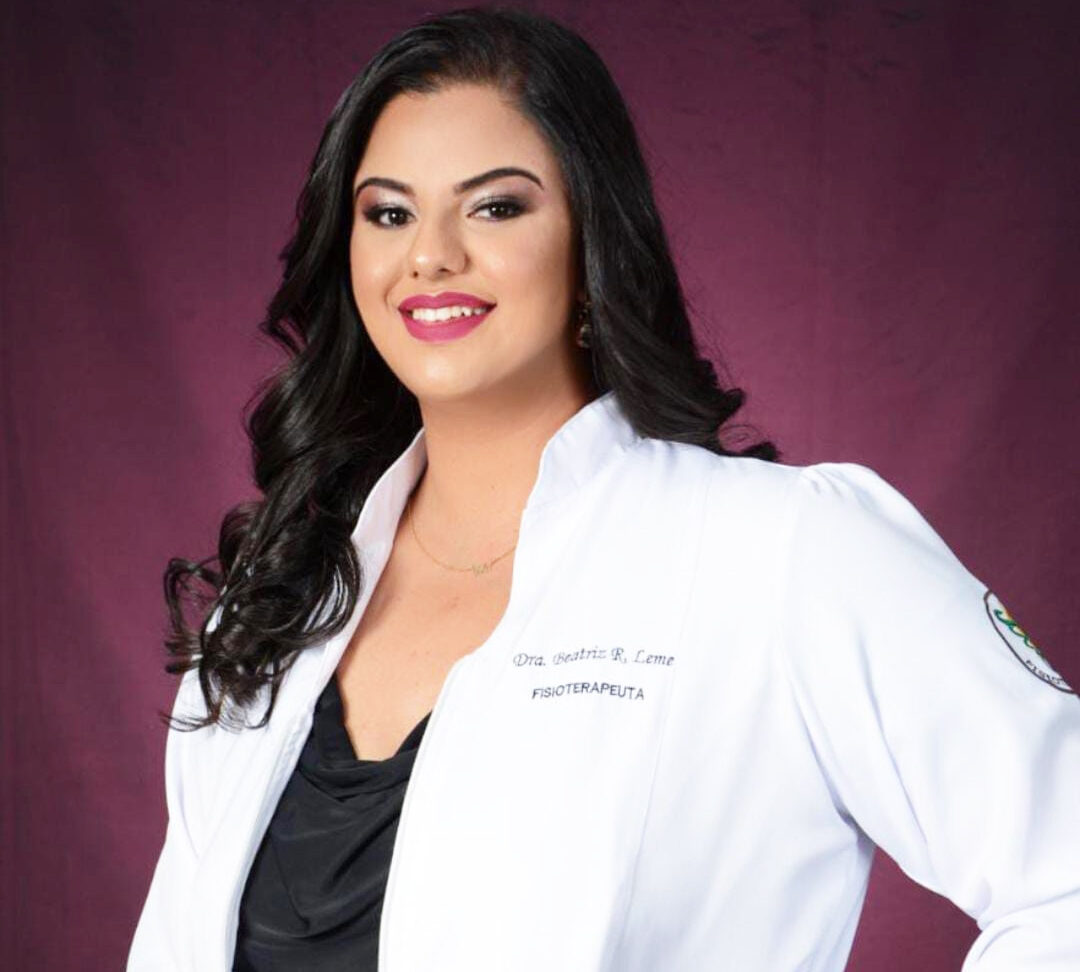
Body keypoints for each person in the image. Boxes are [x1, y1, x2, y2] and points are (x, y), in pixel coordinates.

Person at [128, 6, 1080, 971]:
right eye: (389, 213)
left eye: (496, 207)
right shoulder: (278, 601)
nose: (430, 255)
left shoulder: (783, 555)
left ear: (593, 242)